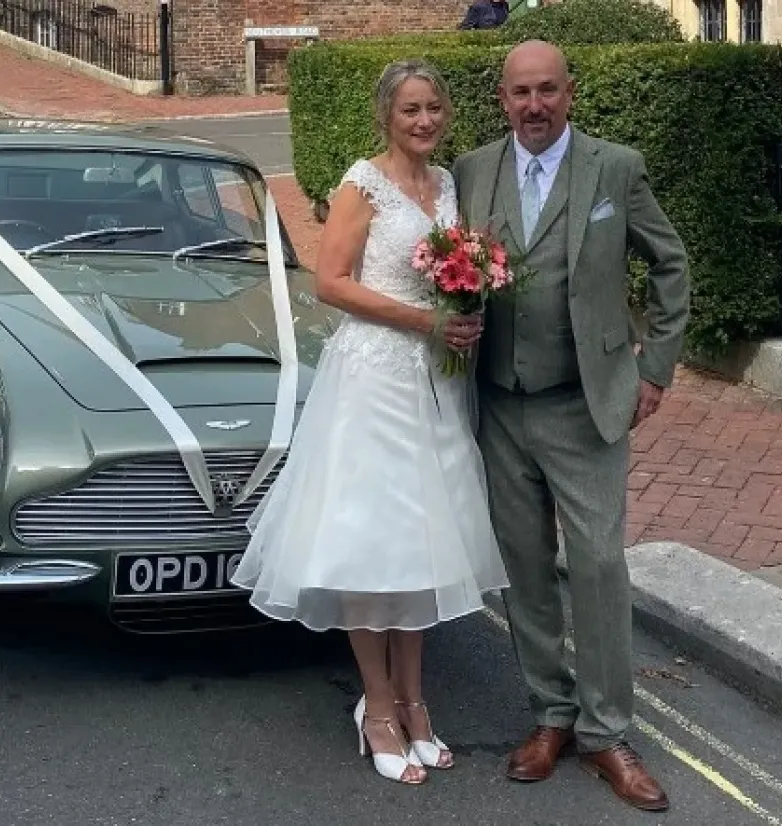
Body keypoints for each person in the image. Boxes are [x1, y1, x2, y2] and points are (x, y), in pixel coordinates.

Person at [232, 58, 509, 785]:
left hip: (438, 386)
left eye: (434, 108)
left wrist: (465, 305)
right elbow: (330, 282)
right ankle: (378, 704)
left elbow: (457, 271)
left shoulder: (447, 184)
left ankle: (418, 699)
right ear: (386, 115)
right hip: (374, 377)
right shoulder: (363, 182)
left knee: (424, 538)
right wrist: (425, 318)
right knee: (368, 537)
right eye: (411, 109)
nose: (424, 121)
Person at [452, 40, 689, 812]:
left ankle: (607, 731)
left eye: (548, 90)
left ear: (570, 93)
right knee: (526, 570)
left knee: (596, 566)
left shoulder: (614, 168)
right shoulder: (472, 170)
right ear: (502, 98)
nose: (534, 105)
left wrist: (654, 368)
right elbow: (449, 270)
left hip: (585, 404)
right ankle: (551, 716)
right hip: (500, 405)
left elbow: (669, 263)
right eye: (521, 92)